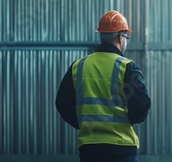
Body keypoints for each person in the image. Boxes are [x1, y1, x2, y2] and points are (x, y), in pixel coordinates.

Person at [55, 10, 151, 162]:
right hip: (122, 147)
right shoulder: (127, 67)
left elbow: (62, 103)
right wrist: (129, 119)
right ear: (121, 37)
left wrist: (84, 123)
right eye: (127, 37)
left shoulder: (78, 66)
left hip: (90, 148)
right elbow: (142, 104)